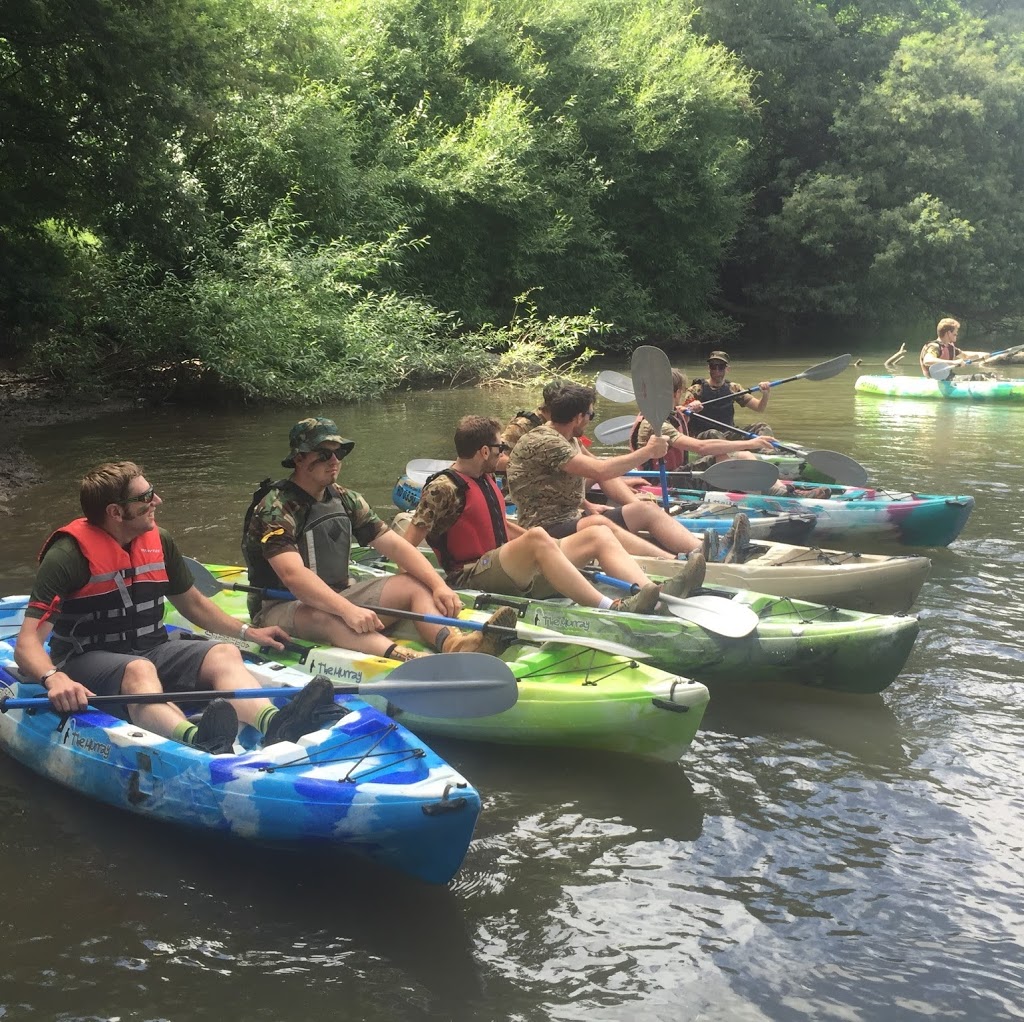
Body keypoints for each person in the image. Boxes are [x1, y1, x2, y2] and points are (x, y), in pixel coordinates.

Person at [14, 461, 335, 756]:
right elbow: (28, 642)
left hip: (150, 649)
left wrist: (248, 632)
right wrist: (54, 678)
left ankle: (275, 723)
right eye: (146, 496)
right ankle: (199, 739)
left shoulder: (159, 540)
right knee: (138, 671)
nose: (158, 501)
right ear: (115, 512)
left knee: (223, 653)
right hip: (84, 661)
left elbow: (193, 602)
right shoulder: (67, 555)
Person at [242, 417, 517, 664]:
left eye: (339, 453)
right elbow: (293, 576)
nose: (334, 460)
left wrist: (437, 586)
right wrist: (348, 609)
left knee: (413, 582)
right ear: (300, 459)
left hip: (337, 594)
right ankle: (407, 659)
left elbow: (395, 545)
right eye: (324, 454)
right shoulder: (276, 506)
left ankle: (455, 644)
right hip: (279, 606)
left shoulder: (344, 497)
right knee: (328, 615)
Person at [402, 416, 706, 614]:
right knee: (537, 537)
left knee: (597, 534)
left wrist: (551, 547)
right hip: (469, 575)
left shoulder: (484, 478)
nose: (504, 452)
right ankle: (612, 605)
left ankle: (652, 591)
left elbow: (497, 527)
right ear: (484, 451)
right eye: (500, 447)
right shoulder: (443, 488)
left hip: (505, 565)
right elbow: (407, 545)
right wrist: (432, 585)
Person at [505, 382, 709, 562]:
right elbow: (601, 471)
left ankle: (704, 553)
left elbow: (601, 470)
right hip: (544, 529)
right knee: (599, 523)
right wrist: (648, 452)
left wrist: (630, 500)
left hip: (572, 517)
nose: (589, 420)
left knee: (646, 509)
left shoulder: (569, 438)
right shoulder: (546, 441)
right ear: (578, 417)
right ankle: (676, 563)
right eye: (590, 415)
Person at [630, 368, 775, 473]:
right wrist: (751, 443)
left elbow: (678, 419)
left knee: (737, 456)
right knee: (742, 456)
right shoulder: (657, 423)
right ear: (676, 392)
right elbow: (701, 448)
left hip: (674, 471)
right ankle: (774, 490)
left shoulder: (664, 413)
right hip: (665, 479)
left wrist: (687, 411)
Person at [684, 351, 774, 437]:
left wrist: (766, 394)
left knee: (762, 426)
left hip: (727, 434)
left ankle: (768, 451)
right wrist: (690, 408)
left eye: (721, 367)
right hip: (704, 436)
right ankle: (732, 450)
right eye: (713, 366)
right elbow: (682, 415)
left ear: (727, 369)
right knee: (713, 433)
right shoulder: (695, 389)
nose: (716, 370)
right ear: (709, 368)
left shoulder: (734, 388)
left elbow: (759, 408)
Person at [919, 318, 991, 379]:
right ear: (948, 333)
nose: (957, 334)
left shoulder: (949, 347)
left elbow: (965, 356)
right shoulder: (934, 346)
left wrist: (982, 354)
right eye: (955, 332)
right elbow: (927, 360)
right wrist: (954, 362)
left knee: (987, 375)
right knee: (980, 377)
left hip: (948, 378)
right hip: (935, 380)